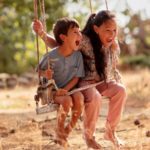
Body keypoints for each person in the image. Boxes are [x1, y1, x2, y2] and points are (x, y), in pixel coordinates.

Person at [33, 10, 127, 149]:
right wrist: (41, 33)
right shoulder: (85, 40)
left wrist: (113, 49)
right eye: (107, 30)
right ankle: (89, 137)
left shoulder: (112, 45)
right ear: (96, 29)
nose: (112, 34)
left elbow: (110, 65)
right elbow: (61, 44)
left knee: (121, 91)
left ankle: (110, 131)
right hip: (85, 83)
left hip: (102, 81)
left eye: (114, 30)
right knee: (95, 97)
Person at [34, 17, 84, 147]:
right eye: (75, 32)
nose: (80, 35)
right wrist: (46, 73)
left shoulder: (77, 56)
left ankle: (66, 131)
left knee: (79, 98)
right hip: (51, 90)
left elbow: (76, 78)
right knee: (67, 101)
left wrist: (66, 90)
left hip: (68, 89)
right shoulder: (51, 56)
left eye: (80, 32)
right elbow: (38, 71)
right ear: (63, 37)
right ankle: (59, 131)